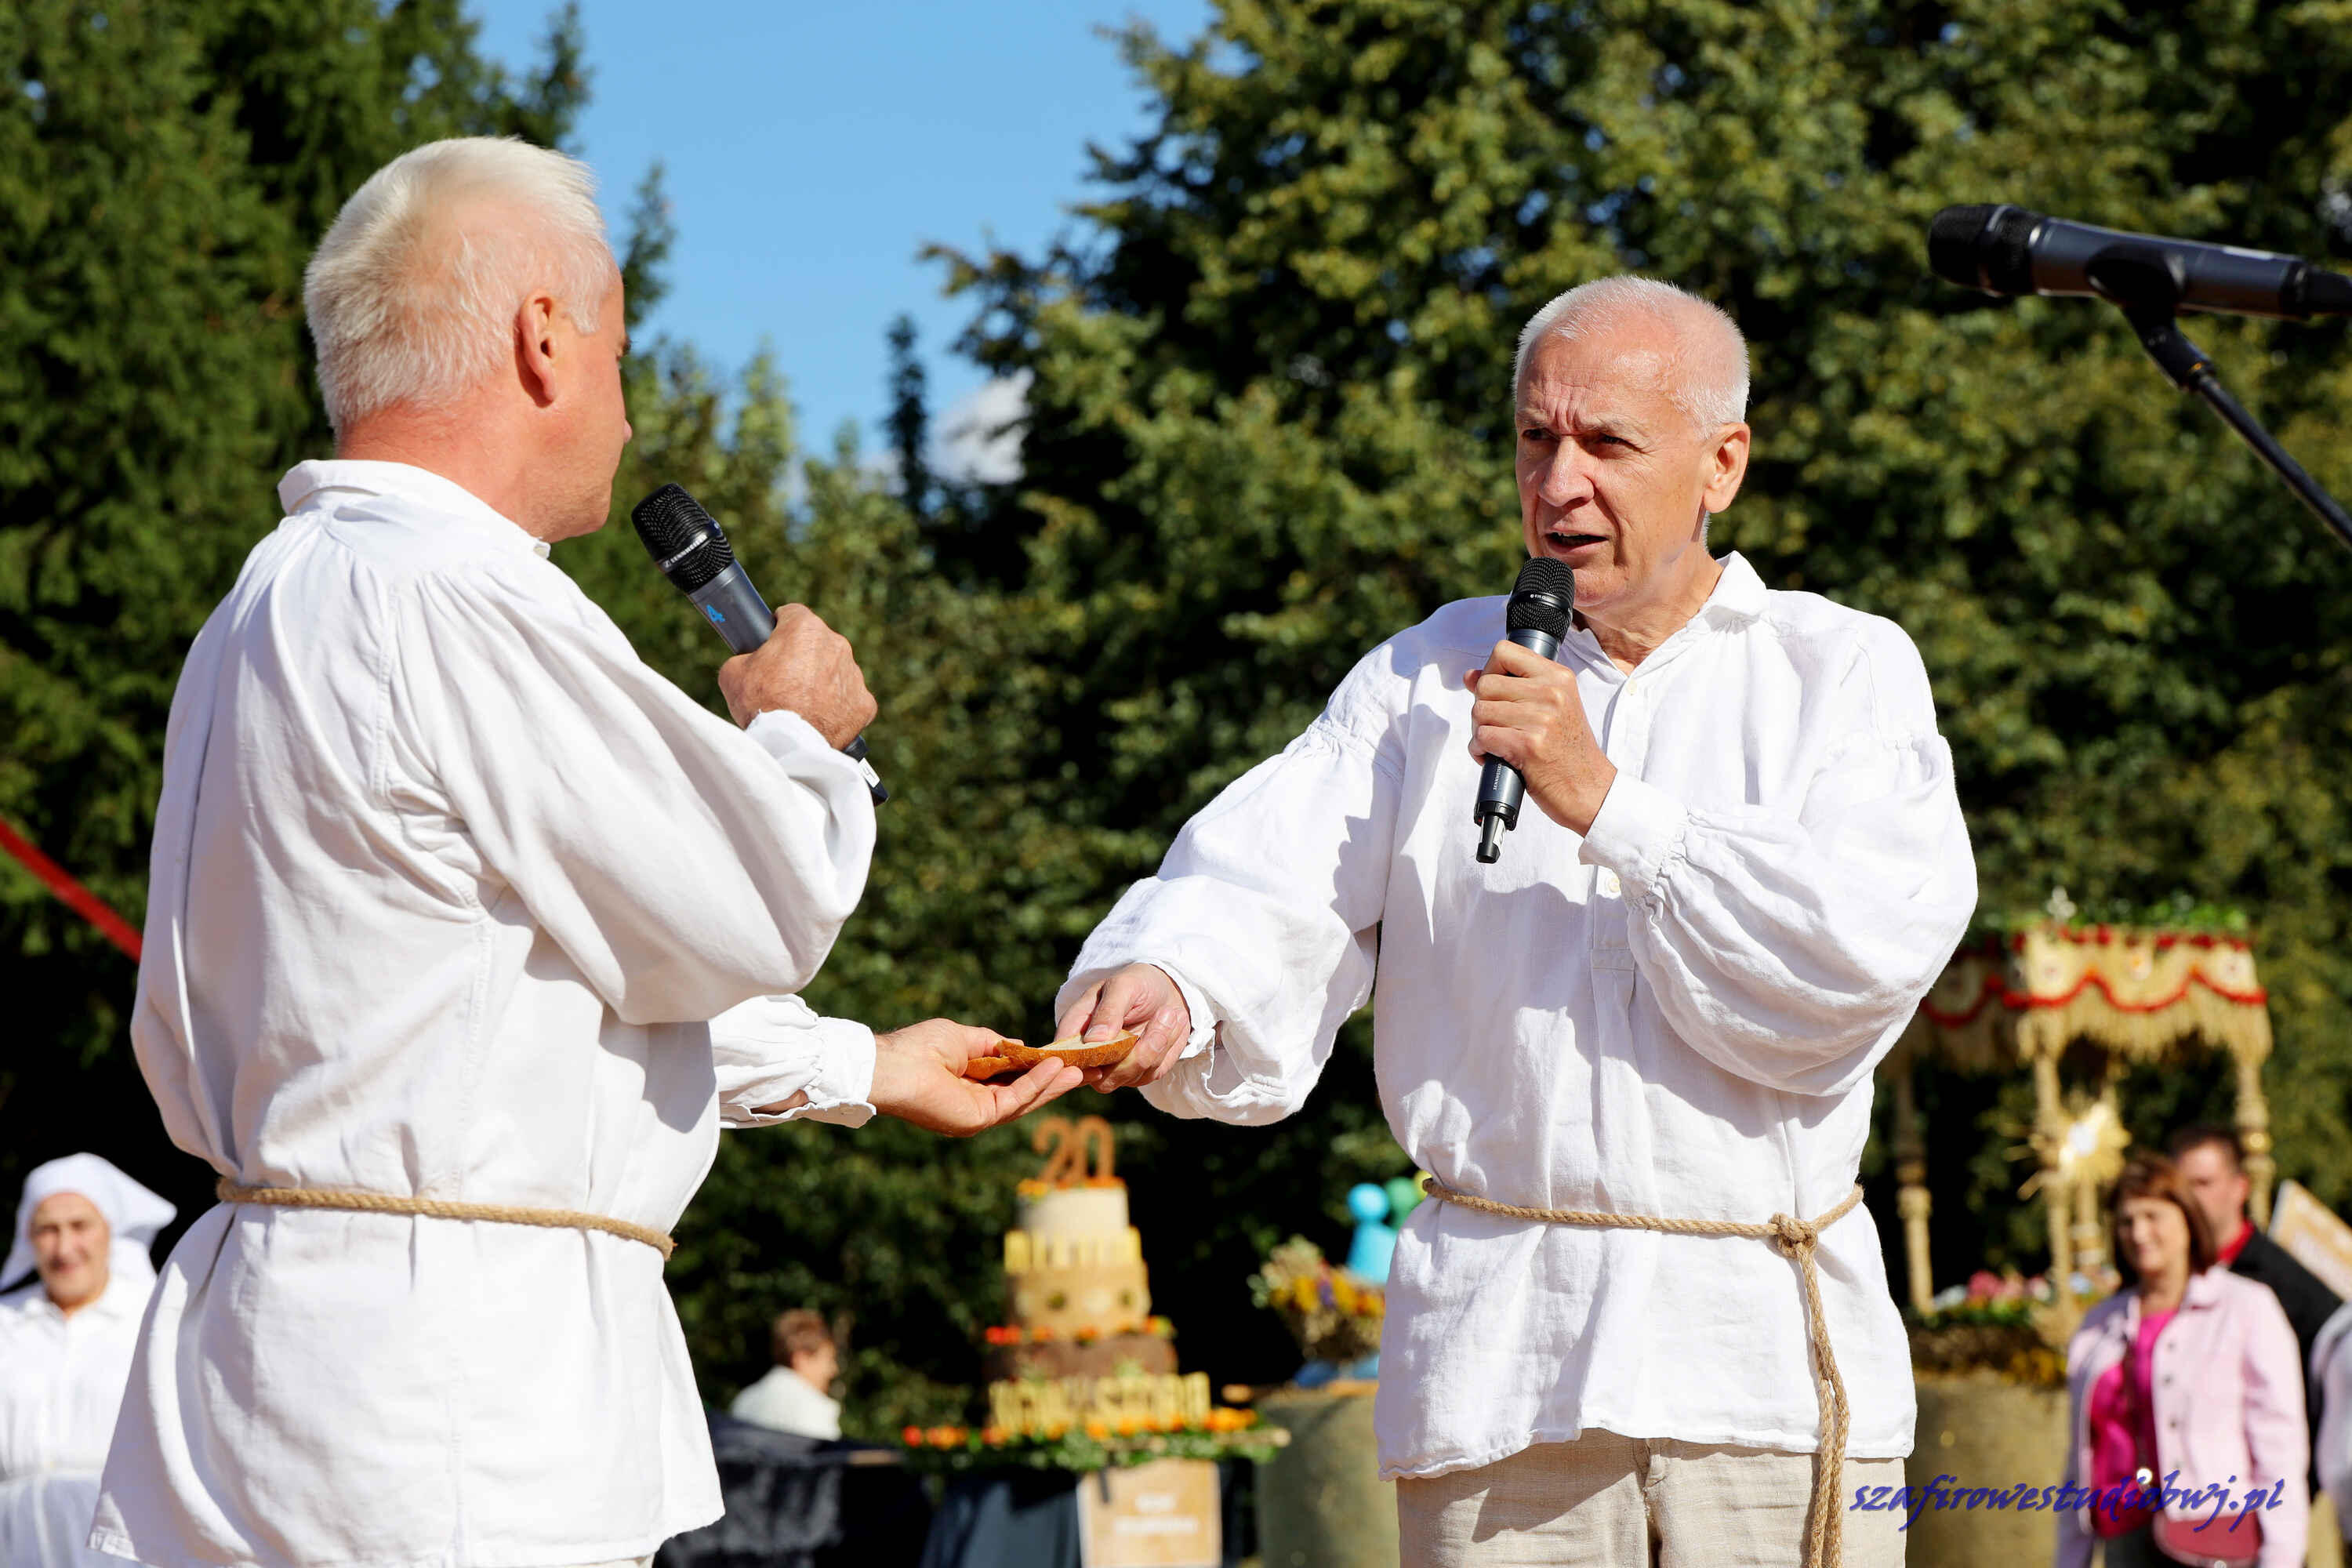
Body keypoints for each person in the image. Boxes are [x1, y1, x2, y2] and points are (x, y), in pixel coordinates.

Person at [91, 137, 1080, 1568]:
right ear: (545, 338)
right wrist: (798, 735)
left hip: (304, 1354)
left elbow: (479, 1011)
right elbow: (762, 904)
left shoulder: (270, 602)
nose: (626, 405)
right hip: (448, 1401)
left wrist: (859, 1066)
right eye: (622, 347)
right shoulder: (449, 594)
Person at [1055, 275, 1976, 1566]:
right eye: (1536, 439)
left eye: (1607, 443)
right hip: (1501, 1376)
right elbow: (1270, 875)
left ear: (1722, 464)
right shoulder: (1424, 676)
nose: (1559, 484)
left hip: (1760, 1377)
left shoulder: (1839, 671)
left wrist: (1606, 803)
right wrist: (1176, 977)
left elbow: (1855, 964)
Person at [2056, 1155, 2307, 1568]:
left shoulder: (2245, 1307)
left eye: (2152, 1216)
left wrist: (2282, 1555)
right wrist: (2070, 1558)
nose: (2139, 1233)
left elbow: (2279, 1444)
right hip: (2125, 1541)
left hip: (2215, 1537)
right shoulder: (2097, 1326)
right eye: (2127, 1221)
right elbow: (2081, 1456)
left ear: (2187, 1219)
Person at [0, 1156, 173, 1568]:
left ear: (110, 1230)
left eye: (80, 1226)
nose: (64, 1249)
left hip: (131, 1542)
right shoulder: (5, 1324)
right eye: (48, 1229)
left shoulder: (155, 1321)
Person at [2171, 1126, 2341, 1460]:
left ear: (2240, 1187)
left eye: (2203, 1184)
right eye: (2180, 1187)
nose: (2189, 1199)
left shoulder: (2286, 1285)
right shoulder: (2167, 1280)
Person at [731, 1309, 844, 1440]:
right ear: (801, 1359)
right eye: (828, 1359)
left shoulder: (744, 1400)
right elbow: (826, 1451)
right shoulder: (812, 1406)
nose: (833, 1370)